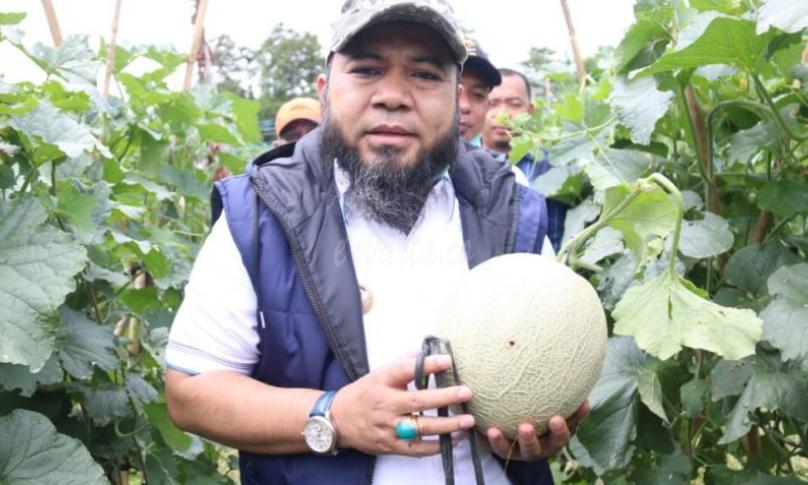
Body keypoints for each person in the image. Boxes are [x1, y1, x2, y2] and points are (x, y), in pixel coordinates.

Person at [165, 1, 587, 484]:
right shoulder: (259, 212)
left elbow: (550, 372)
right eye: (366, 69)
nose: (393, 96)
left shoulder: (514, 211)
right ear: (326, 91)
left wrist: (532, 429)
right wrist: (334, 415)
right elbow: (190, 392)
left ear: (458, 99)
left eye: (425, 75)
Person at [482, 68, 567, 251]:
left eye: (514, 103)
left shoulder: (552, 167)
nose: (502, 113)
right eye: (492, 103)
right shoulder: (458, 166)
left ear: (530, 110)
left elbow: (557, 242)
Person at [458, 39, 501, 146]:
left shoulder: (498, 162)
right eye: (454, 91)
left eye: (478, 95)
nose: (464, 106)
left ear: (488, 105)